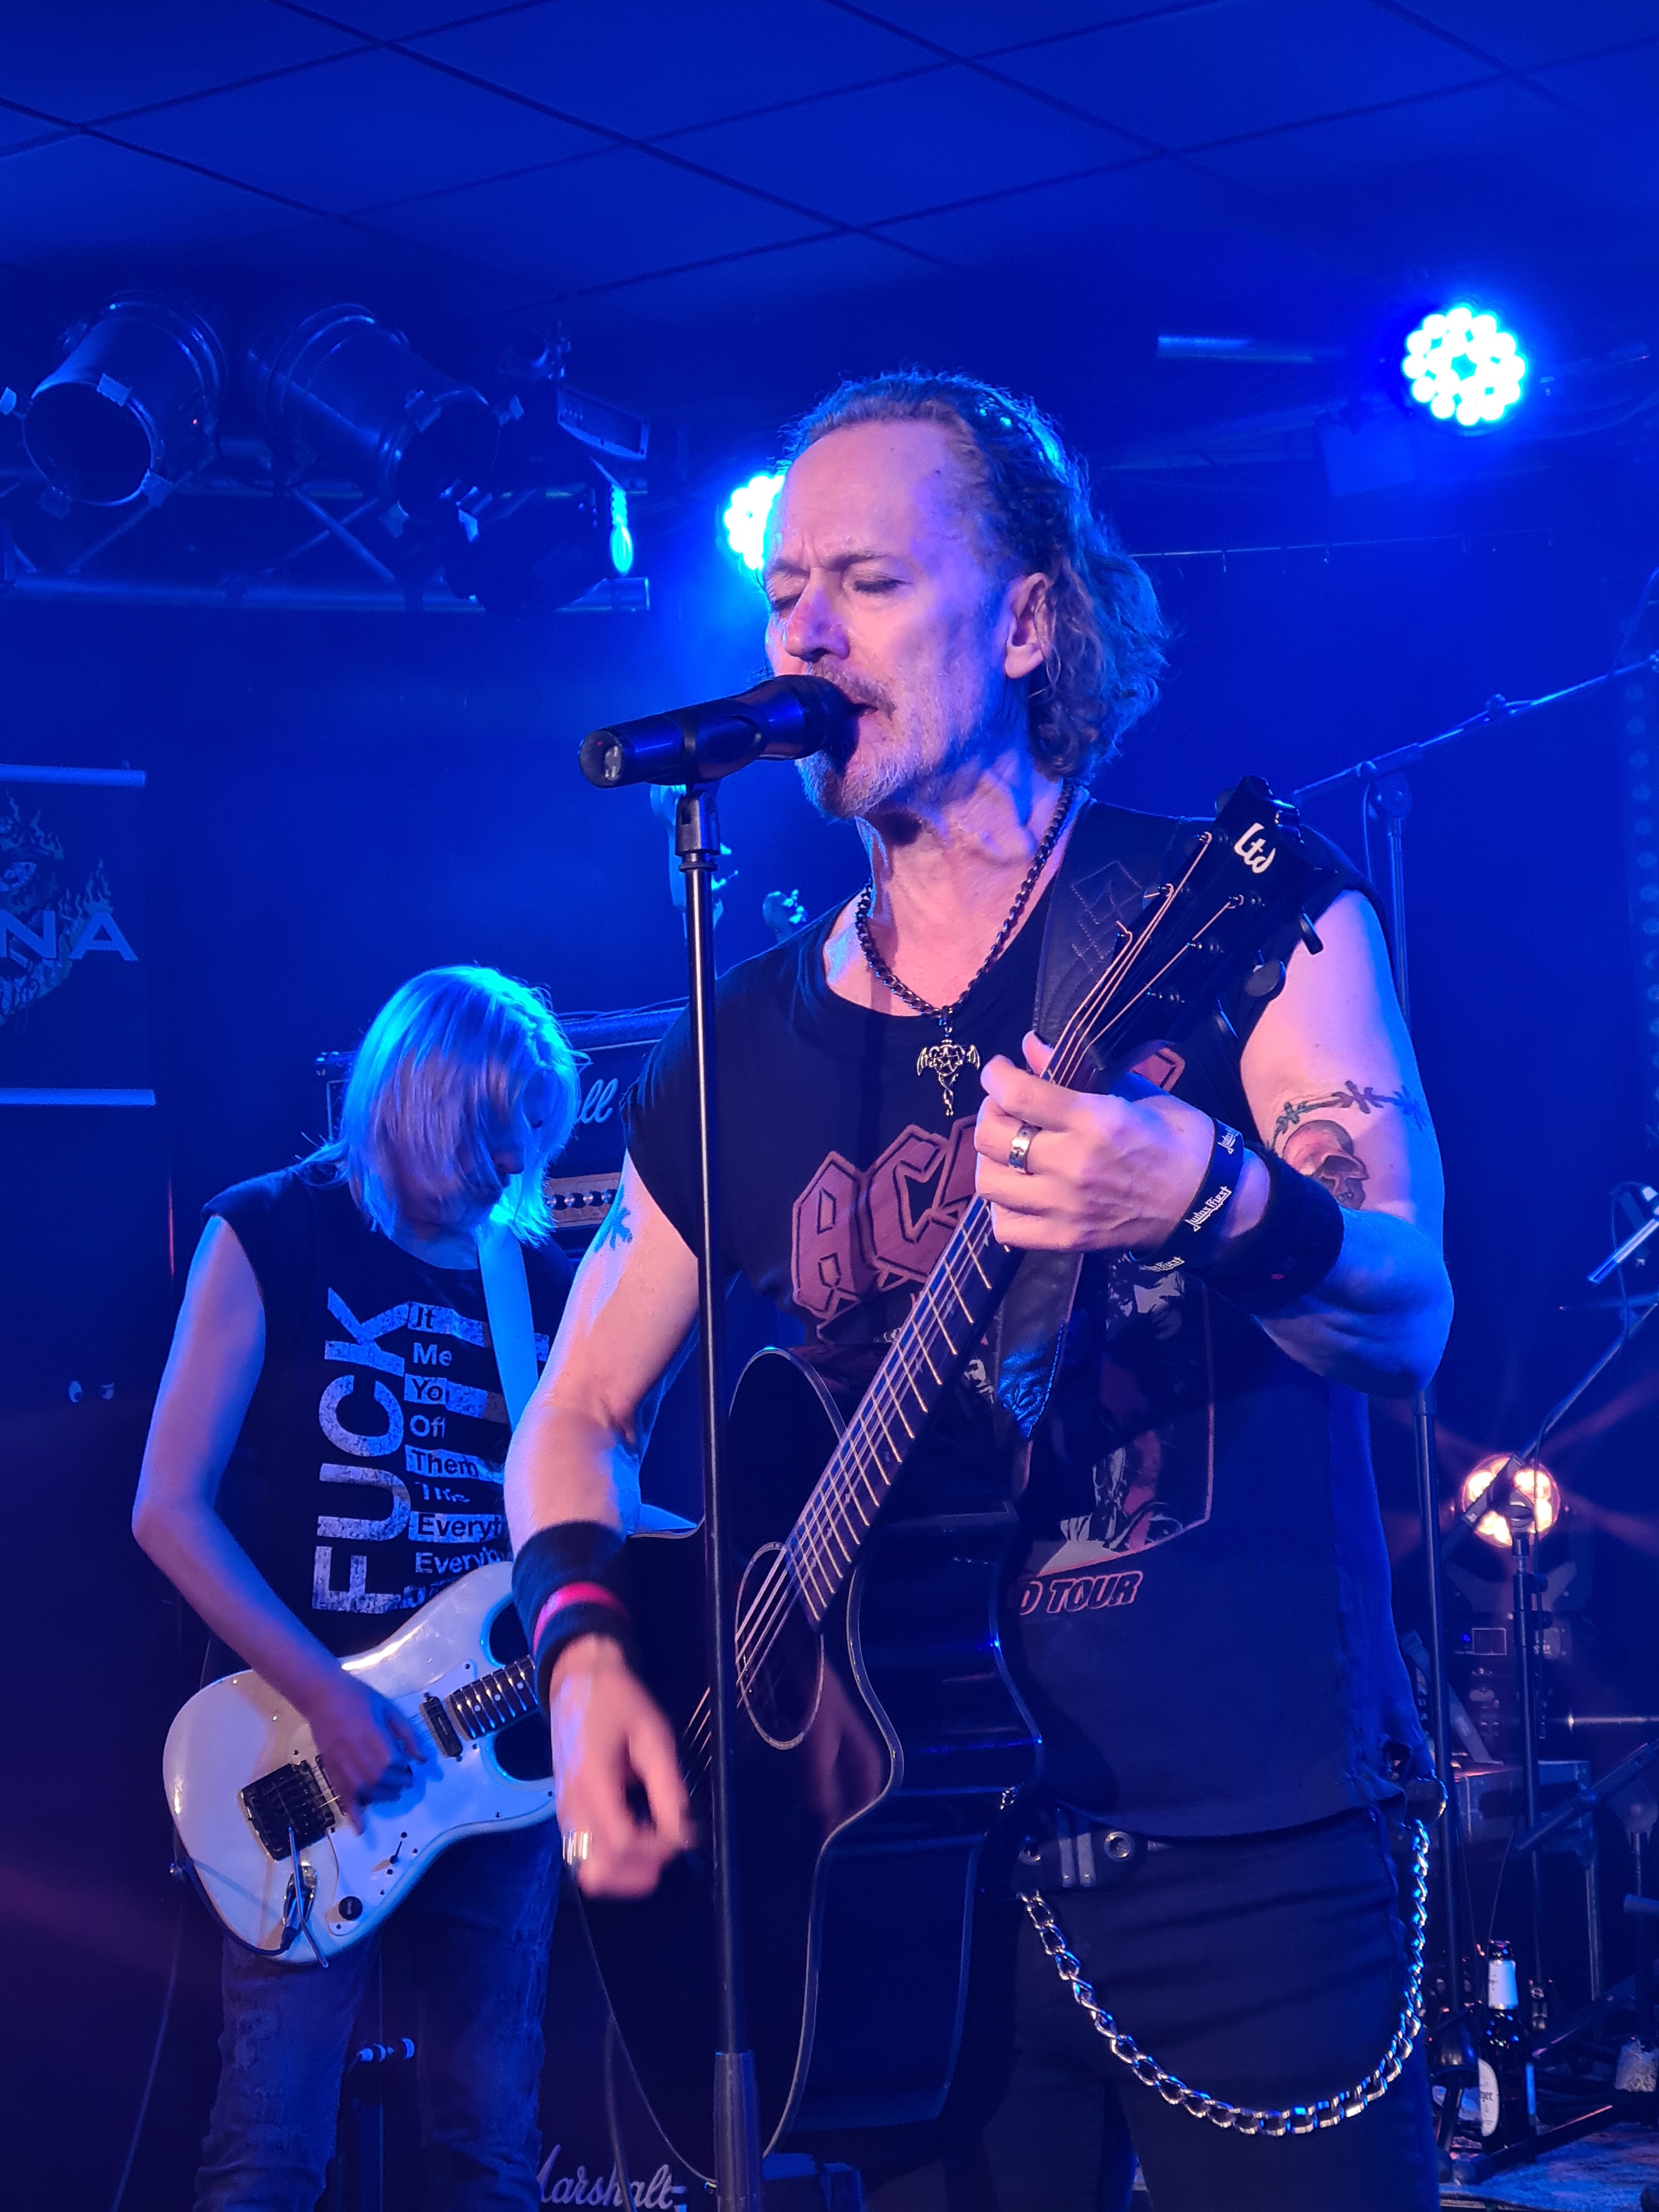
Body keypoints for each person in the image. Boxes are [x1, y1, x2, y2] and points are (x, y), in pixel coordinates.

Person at [504, 373, 1453, 2212]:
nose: (805, 633)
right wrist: (588, 1651)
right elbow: (575, 1415)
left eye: (866, 582)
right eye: (786, 591)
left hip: (1243, 1854)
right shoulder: (735, 1046)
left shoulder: (1231, 915)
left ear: (1026, 621)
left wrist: (1209, 1192)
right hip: (893, 1888)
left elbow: (1405, 1310)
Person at [134, 965, 581, 2212]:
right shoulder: (271, 1230)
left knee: (490, 2155)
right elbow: (166, 1508)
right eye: (493, 1135)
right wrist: (329, 1697)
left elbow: (574, 1524)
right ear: (418, 1101)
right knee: (270, 2156)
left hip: (497, 1756)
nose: (516, 1166)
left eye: (533, 1139)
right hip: (296, 1750)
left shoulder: (534, 1287)